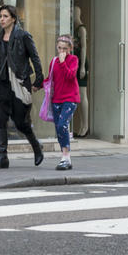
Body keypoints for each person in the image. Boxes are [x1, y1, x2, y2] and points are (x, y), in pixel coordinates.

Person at [0, 4, 43, 169]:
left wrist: (38, 80)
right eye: (0, 16)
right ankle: (3, 157)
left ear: (14, 19)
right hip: (2, 85)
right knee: (0, 120)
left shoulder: (23, 36)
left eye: (5, 16)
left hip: (18, 83)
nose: (2, 19)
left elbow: (35, 58)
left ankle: (36, 147)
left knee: (20, 122)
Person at [48, 35, 80, 171]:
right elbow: (51, 79)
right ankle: (65, 157)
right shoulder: (53, 61)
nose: (62, 51)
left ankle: (66, 156)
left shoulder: (73, 60)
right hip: (56, 99)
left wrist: (63, 62)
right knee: (59, 129)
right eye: (60, 48)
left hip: (70, 98)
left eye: (65, 49)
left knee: (62, 125)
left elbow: (70, 76)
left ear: (70, 49)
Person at [72, 6, 89, 137]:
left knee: (82, 95)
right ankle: (81, 126)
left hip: (81, 64)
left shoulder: (81, 29)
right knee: (76, 95)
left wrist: (82, 66)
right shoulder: (73, 29)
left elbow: (84, 48)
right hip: (74, 64)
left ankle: (85, 126)